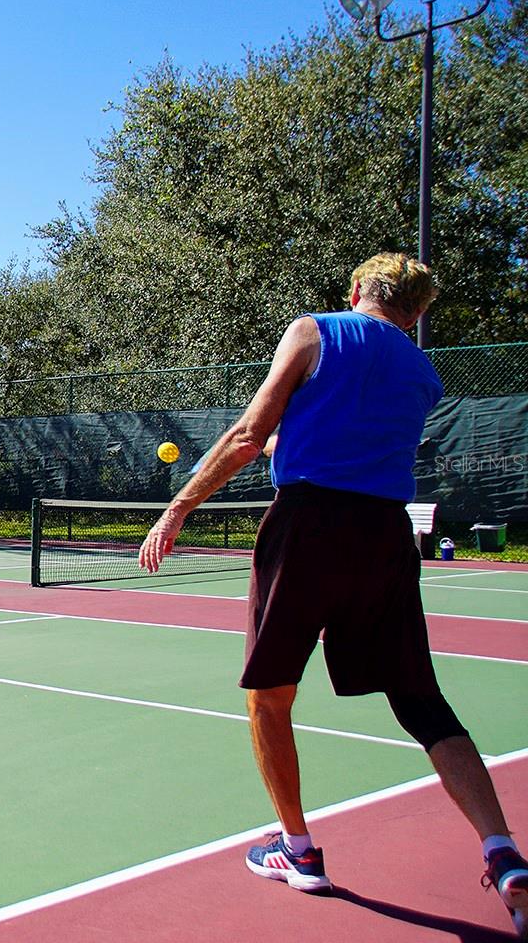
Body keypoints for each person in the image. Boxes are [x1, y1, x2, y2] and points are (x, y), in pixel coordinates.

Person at [138, 252, 525, 937]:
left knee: (269, 696)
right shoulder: (423, 373)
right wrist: (285, 445)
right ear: (416, 313)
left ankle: (298, 850)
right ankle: (504, 855)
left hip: (308, 528)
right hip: (385, 535)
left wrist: (177, 508)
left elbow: (249, 434)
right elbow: (339, 437)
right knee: (422, 702)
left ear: (354, 291)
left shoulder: (313, 331)